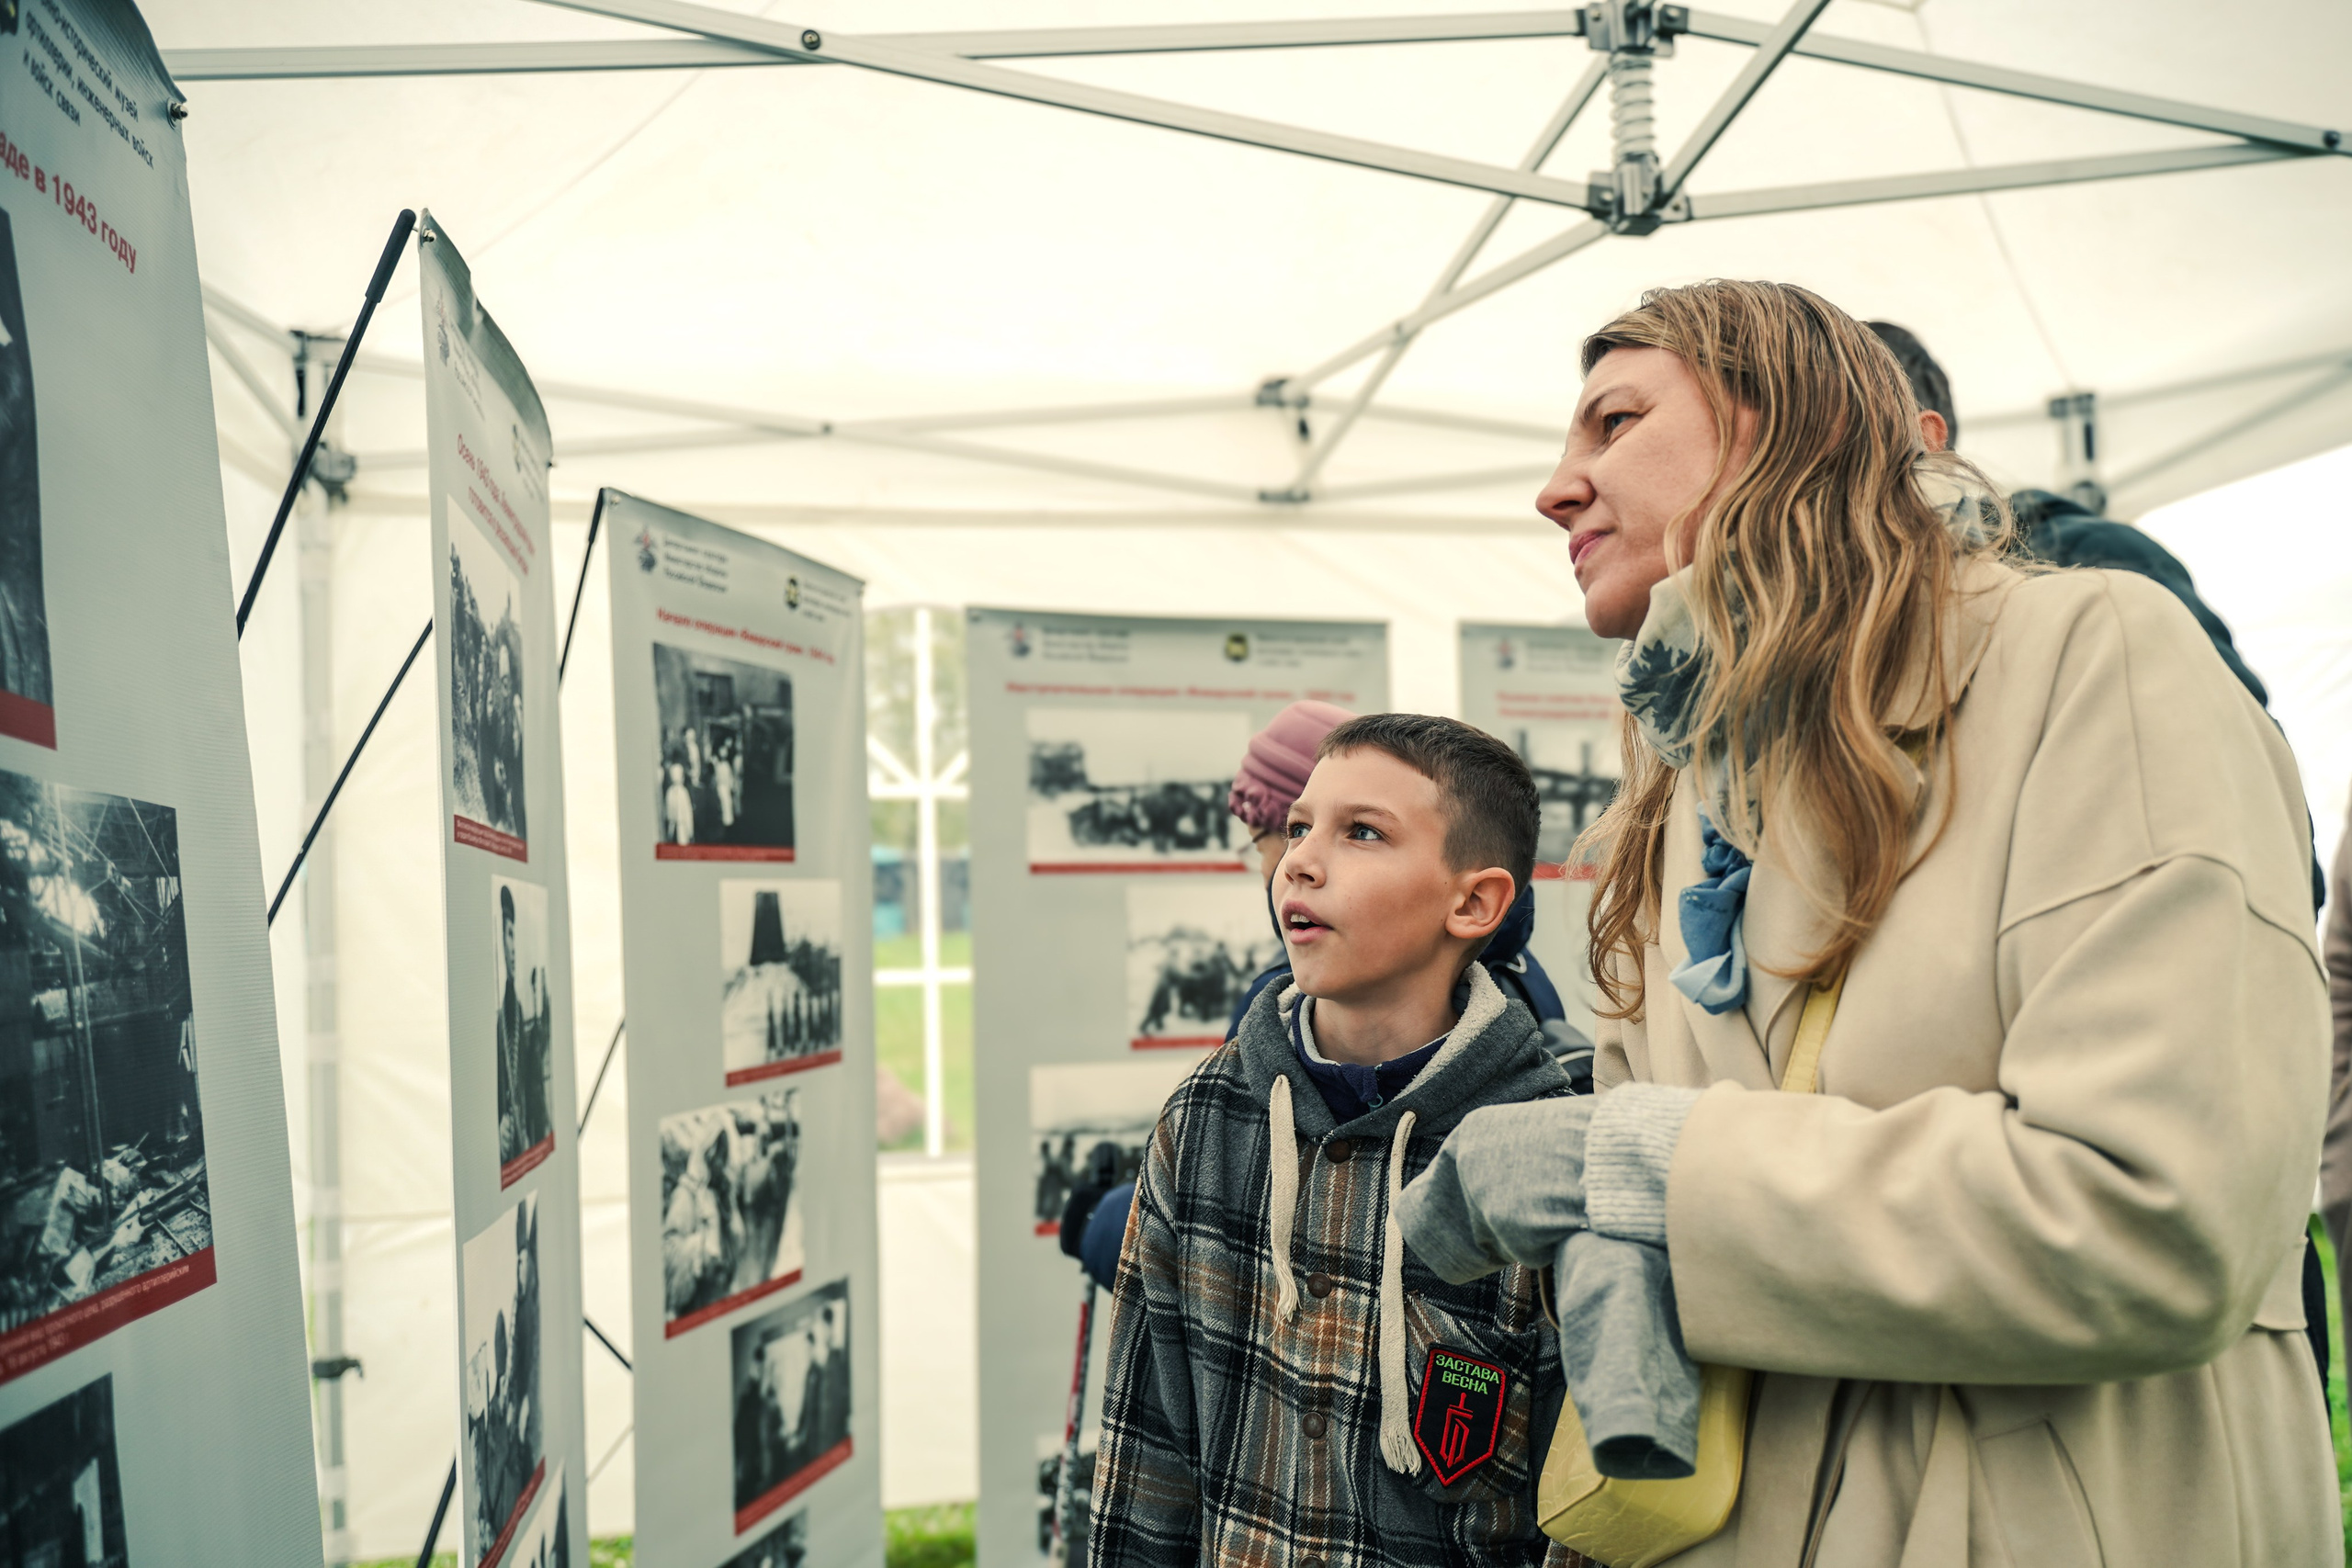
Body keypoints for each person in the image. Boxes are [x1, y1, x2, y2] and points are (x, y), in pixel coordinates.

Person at [1402, 280, 2333, 1562]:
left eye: (1612, 422)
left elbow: (2151, 1218)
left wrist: (1632, 1166)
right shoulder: (1675, 795)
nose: (1557, 489)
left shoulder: (2094, 656)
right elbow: (1677, 1224)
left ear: (1781, 421)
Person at [1091, 714, 1581, 1568]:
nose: (1299, 861)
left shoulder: (1548, 1154)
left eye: (1361, 832)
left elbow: (1581, 1519)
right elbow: (1145, 1459)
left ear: (1474, 902)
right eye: (1296, 826)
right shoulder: (1205, 1118)